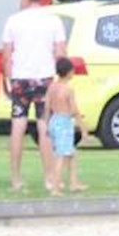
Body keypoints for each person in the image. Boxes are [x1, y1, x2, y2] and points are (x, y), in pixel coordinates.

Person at [2, 0, 67, 191]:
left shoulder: (13, 21)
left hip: (20, 78)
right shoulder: (53, 21)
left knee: (18, 126)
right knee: (44, 127)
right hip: (44, 79)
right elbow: (60, 53)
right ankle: (49, 177)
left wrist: (9, 79)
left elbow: (6, 56)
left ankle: (15, 178)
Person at [44, 56, 86, 195]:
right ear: (69, 72)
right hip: (64, 123)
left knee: (71, 154)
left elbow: (47, 107)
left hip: (54, 120)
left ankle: (74, 183)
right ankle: (55, 187)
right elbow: (74, 110)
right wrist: (83, 128)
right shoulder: (68, 90)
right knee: (61, 156)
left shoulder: (52, 87)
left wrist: (46, 125)